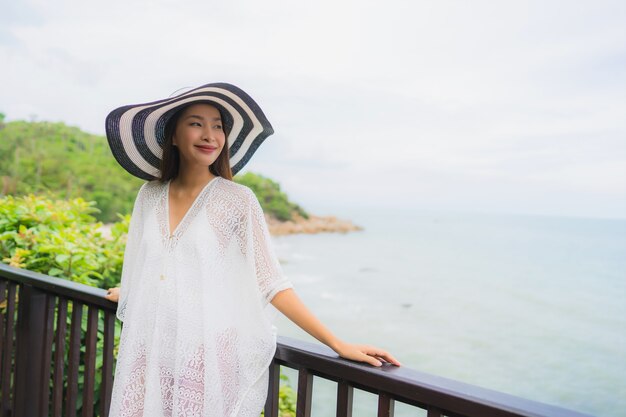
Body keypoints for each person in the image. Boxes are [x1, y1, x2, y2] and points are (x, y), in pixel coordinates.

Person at [103, 82, 401, 417]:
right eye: (196, 123)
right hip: (152, 352)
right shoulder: (149, 195)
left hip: (205, 359)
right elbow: (146, 263)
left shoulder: (236, 201)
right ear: (172, 135)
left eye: (218, 126)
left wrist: (336, 343)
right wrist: (130, 293)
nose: (210, 135)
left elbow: (270, 281)